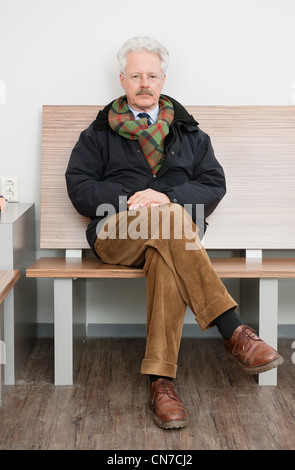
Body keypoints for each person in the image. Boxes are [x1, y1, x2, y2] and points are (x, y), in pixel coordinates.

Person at [65, 36, 283, 430]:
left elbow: (214, 185)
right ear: (122, 79)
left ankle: (161, 382)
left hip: (173, 238)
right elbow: (79, 188)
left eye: (151, 75)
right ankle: (233, 328)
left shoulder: (191, 134)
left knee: (168, 242)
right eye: (135, 75)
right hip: (116, 231)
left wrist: (163, 194)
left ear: (163, 79)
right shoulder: (97, 134)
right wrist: (135, 198)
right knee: (172, 220)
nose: (143, 83)